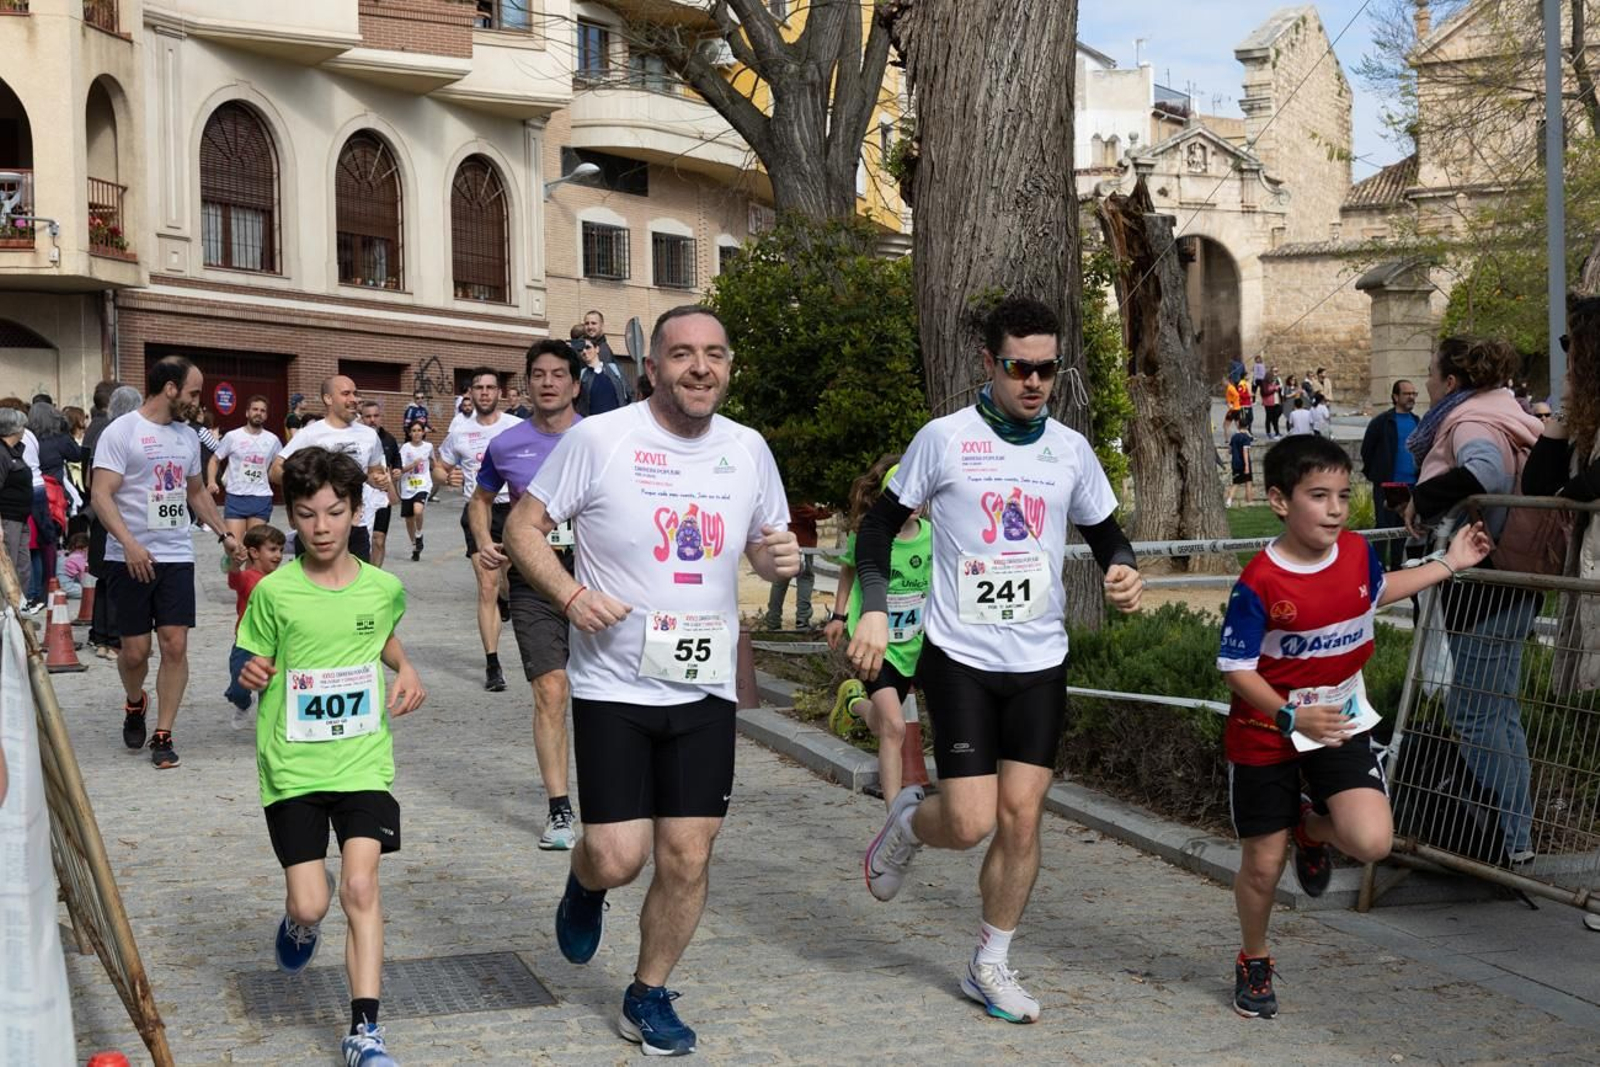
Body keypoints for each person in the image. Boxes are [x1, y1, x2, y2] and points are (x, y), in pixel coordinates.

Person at [504, 305, 798, 1057]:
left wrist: (774, 561)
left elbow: (763, 546)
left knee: (689, 854)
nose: (701, 367)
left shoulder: (749, 448)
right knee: (618, 855)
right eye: (683, 354)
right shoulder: (600, 440)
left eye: (715, 354)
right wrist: (570, 596)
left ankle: (647, 991)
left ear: (729, 365)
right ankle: (585, 880)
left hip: (704, 686)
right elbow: (522, 529)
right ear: (653, 367)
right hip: (615, 687)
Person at [850, 296, 1143, 1024]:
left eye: (1047, 368)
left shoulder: (1069, 449)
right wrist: (878, 610)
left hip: (1041, 657)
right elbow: (878, 525)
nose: (1035, 382)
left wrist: (1124, 570)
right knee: (973, 819)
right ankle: (911, 823)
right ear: (990, 363)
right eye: (1020, 367)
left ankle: (991, 960)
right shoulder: (944, 440)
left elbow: (1108, 533)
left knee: (1022, 818)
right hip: (962, 657)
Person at [1218, 434, 1492, 1019]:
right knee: (1263, 867)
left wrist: (1448, 563)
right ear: (1278, 500)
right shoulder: (1260, 582)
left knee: (1372, 841)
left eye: (1344, 495)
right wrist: (1289, 713)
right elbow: (1236, 668)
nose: (1337, 509)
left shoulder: (1356, 553)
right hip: (1267, 733)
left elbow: (1377, 592)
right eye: (1319, 496)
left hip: (1338, 721)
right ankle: (1254, 958)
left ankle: (1312, 831)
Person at [234, 447, 425, 1067]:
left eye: (335, 513)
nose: (321, 528)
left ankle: (365, 1031)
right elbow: (243, 663)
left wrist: (408, 666)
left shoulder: (383, 587)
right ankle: (299, 926)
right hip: (292, 766)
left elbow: (380, 632)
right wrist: (251, 672)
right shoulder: (275, 592)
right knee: (312, 902)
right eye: (308, 514)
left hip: (363, 761)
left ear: (354, 513)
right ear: (292, 515)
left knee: (362, 886)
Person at [1404, 336, 1543, 864]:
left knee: (1474, 714)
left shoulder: (1470, 421)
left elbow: (1484, 474)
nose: (1428, 383)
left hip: (1485, 579)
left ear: (1452, 382)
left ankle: (1509, 843)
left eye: (1432, 372)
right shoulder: (1506, 409)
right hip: (1513, 578)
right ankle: (1516, 838)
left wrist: (1423, 499)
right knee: (1497, 712)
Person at [92, 356, 243, 769]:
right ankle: (135, 701)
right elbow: (101, 494)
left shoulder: (186, 436)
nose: (198, 400)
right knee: (136, 653)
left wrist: (225, 534)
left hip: (176, 554)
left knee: (174, 644)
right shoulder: (122, 431)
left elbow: (195, 493)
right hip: (130, 557)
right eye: (193, 391)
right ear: (171, 388)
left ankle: (163, 733)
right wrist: (129, 544)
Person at [470, 339, 584, 851]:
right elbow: (480, 498)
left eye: (559, 374)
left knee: (606, 694)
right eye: (538, 374)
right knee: (551, 690)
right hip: (534, 580)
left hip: (600, 577)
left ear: (575, 384)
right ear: (527, 384)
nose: (548, 382)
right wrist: (482, 542)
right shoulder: (506, 444)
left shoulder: (601, 438)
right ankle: (560, 810)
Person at [824, 455, 928, 809]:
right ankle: (894, 819)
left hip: (917, 642)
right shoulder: (868, 533)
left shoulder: (933, 537)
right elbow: (848, 572)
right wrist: (839, 616)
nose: (912, 503)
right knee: (895, 729)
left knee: (885, 724)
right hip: (875, 645)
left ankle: (854, 705)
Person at [1527, 297, 1600, 694]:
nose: (1566, 355)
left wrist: (1570, 494)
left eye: (1572, 344)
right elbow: (1537, 484)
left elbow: (1591, 483)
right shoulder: (1588, 414)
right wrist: (1566, 409)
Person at [435, 368, 522, 692]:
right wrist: (447, 477)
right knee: (486, 586)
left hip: (513, 512)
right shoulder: (459, 432)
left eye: (490, 388)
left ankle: (506, 599)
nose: (484, 393)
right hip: (478, 511)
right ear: (469, 393)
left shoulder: (516, 427)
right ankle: (492, 664)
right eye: (478, 388)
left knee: (508, 582)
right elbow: (440, 468)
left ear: (499, 392)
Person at [270, 376, 394, 564]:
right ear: (328, 399)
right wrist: (311, 481)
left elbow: (373, 472)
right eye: (346, 394)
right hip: (316, 527)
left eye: (355, 393)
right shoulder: (310, 434)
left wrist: (378, 480)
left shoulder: (369, 435)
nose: (354, 399)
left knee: (355, 587)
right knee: (314, 586)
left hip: (355, 525)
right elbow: (275, 471)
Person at [86, 385, 140, 659]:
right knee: (116, 577)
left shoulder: (99, 431)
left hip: (99, 512)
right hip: (114, 512)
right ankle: (113, 639)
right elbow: (94, 480)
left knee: (104, 578)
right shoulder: (121, 434)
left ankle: (101, 636)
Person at [223, 524, 284, 731]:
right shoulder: (248, 577)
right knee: (238, 689)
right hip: (246, 643)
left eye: (281, 550)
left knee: (272, 687)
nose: (278, 555)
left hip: (274, 644)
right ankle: (244, 704)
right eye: (273, 549)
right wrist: (233, 563)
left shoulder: (281, 580)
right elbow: (235, 579)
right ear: (255, 552)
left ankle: (273, 727)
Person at [1360, 380, 1421, 568]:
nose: (1411, 397)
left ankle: (1396, 568)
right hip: (1389, 485)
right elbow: (1367, 450)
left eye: (1413, 393)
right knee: (1383, 529)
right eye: (1406, 393)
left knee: (1403, 529)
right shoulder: (1382, 422)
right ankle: (1377, 568)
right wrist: (1378, 476)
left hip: (1412, 485)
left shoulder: (1418, 422)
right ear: (1395, 397)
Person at [208, 395, 284, 544]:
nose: (258, 413)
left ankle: (252, 568)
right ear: (247, 413)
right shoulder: (233, 436)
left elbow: (278, 465)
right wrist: (211, 482)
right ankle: (233, 566)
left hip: (261, 497)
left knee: (254, 549)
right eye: (255, 409)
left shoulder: (273, 440)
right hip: (236, 497)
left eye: (263, 411)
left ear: (266, 415)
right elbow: (214, 460)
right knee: (234, 548)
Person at [764, 499, 829, 630]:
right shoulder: (799, 501)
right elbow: (819, 514)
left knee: (780, 581)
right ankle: (802, 619)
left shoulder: (782, 497)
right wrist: (827, 508)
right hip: (802, 545)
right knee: (805, 579)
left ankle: (773, 619)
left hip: (785, 543)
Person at [358, 400, 404, 569]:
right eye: (368, 416)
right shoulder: (357, 439)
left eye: (375, 416)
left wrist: (398, 469)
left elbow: (396, 459)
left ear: (381, 417)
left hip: (382, 495)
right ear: (361, 418)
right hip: (361, 495)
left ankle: (375, 575)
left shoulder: (388, 439)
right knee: (362, 538)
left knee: (379, 538)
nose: (372, 420)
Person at [0, 408, 31, 588]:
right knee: (9, 568)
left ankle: (18, 609)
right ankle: (7, 611)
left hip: (20, 517)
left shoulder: (14, 451)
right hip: (8, 519)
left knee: (21, 567)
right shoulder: (2, 454)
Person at [583, 308, 636, 403]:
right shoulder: (589, 347)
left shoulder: (602, 351)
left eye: (594, 323)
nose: (590, 327)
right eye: (587, 323)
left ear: (602, 325)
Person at [398, 420, 432, 561]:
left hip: (423, 484)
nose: (417, 433)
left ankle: (419, 534)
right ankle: (415, 546)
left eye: (419, 430)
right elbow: (400, 469)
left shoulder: (429, 446)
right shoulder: (405, 448)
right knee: (409, 518)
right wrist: (412, 464)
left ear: (423, 432)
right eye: (414, 430)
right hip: (407, 485)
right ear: (409, 433)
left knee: (418, 510)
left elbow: (434, 464)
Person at [576, 337, 626, 417]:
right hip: (594, 425)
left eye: (588, 347)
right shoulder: (581, 376)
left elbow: (629, 393)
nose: (584, 351)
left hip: (618, 422)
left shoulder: (615, 369)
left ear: (597, 349)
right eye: (580, 349)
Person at [1225, 410, 1255, 507]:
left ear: (1238, 425)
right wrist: (1246, 466)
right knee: (1248, 482)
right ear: (1246, 426)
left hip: (1235, 463)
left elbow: (1230, 450)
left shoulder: (1234, 437)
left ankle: (1228, 501)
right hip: (1244, 463)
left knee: (1236, 483)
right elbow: (1245, 452)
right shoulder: (1245, 438)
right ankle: (1249, 502)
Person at [55, 531, 89, 598]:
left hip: (57, 586)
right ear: (85, 547)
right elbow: (83, 577)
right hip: (68, 588)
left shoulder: (64, 554)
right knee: (91, 591)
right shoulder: (78, 557)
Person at [1261, 368, 1283, 439]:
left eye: (1276, 372)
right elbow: (1265, 392)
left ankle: (1277, 432)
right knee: (1269, 417)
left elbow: (1280, 390)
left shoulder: (1276, 380)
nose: (1275, 374)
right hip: (1268, 402)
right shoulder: (1265, 382)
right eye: (1274, 372)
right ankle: (1268, 432)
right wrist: (1275, 389)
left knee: (1275, 417)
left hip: (1276, 401)